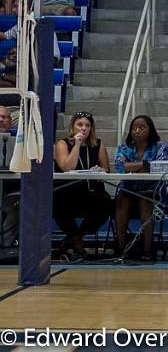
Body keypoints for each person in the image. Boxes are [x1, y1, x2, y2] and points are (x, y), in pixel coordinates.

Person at [53, 111, 111, 260]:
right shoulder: (62, 144)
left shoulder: (98, 144)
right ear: (73, 126)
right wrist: (77, 144)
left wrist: (98, 171)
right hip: (67, 192)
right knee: (56, 202)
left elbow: (106, 170)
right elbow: (67, 167)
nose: (83, 128)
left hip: (91, 192)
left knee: (105, 204)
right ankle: (76, 239)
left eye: (87, 125)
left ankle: (76, 236)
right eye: (80, 125)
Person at [113, 115, 168, 261]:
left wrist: (131, 166)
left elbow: (158, 167)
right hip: (129, 190)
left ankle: (148, 250)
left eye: (141, 127)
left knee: (145, 201)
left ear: (150, 130)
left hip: (152, 191)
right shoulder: (124, 148)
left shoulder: (160, 146)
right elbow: (120, 168)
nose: (137, 131)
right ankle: (121, 249)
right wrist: (144, 165)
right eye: (134, 128)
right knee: (121, 200)